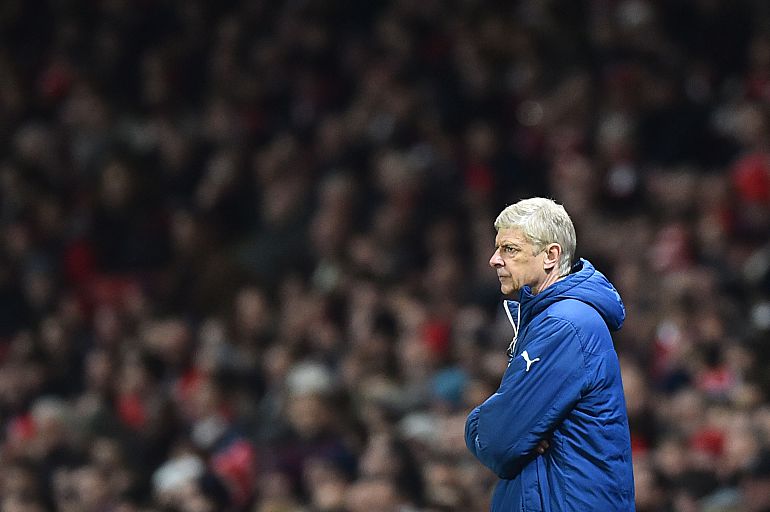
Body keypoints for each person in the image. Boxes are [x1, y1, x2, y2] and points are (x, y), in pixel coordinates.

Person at [465, 198, 635, 511]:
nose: (494, 260)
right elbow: (507, 431)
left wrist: (477, 424)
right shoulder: (551, 318)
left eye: (510, 249)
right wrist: (515, 425)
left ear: (550, 256)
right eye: (497, 248)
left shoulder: (565, 324)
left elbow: (498, 441)